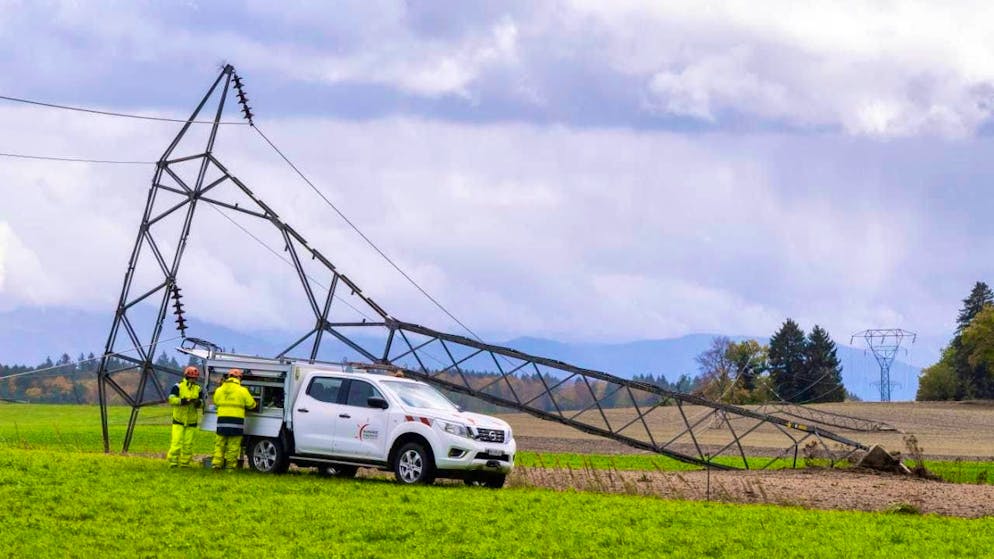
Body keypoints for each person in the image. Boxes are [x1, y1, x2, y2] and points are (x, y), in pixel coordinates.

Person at [211, 368, 257, 471]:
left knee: (220, 444)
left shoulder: (219, 390)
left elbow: (216, 401)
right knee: (233, 446)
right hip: (236, 422)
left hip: (222, 421)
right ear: (239, 378)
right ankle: (230, 467)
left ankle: (216, 465)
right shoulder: (242, 390)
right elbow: (251, 404)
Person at [167, 365, 203, 468]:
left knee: (188, 444)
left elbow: (202, 403)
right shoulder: (178, 386)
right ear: (187, 377)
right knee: (176, 443)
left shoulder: (198, 388)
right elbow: (171, 399)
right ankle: (173, 462)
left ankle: (185, 463)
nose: (194, 380)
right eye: (192, 378)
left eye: (195, 378)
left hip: (191, 420)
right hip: (178, 419)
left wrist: (197, 403)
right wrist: (182, 401)